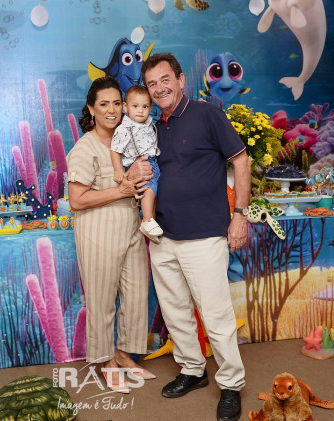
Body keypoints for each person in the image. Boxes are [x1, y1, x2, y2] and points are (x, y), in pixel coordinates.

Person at [138, 53, 252, 421]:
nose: (159, 88)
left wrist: (240, 215)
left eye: (165, 80)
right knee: (175, 313)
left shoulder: (208, 114)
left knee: (216, 316)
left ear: (181, 80)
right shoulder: (151, 127)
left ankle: (231, 384)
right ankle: (192, 369)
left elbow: (242, 161)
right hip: (163, 237)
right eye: (152, 84)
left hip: (205, 236)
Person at [66, 76, 156, 394]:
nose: (112, 110)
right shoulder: (85, 148)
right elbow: (77, 200)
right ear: (91, 108)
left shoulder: (128, 139)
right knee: (102, 300)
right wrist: (121, 190)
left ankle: (124, 353)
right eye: (104, 104)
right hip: (98, 231)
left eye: (117, 103)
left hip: (131, 226)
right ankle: (106, 361)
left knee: (136, 295)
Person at [110, 85, 163, 243]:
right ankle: (147, 220)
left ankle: (152, 220)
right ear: (125, 107)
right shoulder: (124, 129)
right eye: (135, 106)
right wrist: (118, 169)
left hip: (153, 162)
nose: (140, 111)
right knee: (148, 189)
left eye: (145, 107)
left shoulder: (148, 123)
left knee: (155, 193)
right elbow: (115, 150)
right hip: (139, 164)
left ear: (150, 108)